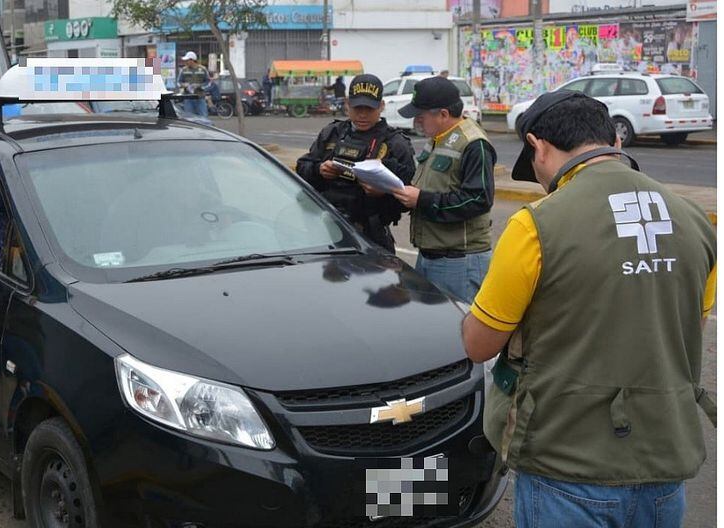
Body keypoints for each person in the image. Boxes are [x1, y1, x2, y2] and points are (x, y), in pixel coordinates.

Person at [461, 91, 716, 528]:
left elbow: (478, 344)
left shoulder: (536, 224)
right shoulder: (693, 220)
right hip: (665, 462)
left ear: (538, 146)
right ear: (614, 140)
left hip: (566, 466)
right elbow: (688, 326)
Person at [392, 75, 496, 303]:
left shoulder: (473, 143)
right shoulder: (439, 137)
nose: (417, 122)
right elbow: (431, 184)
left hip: (459, 261)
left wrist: (421, 199)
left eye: (421, 116)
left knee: (458, 324)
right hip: (430, 255)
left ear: (443, 114)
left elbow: (478, 199)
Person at [295, 74, 415, 254]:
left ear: (381, 106)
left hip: (370, 235)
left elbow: (409, 198)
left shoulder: (396, 143)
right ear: (347, 104)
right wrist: (319, 170)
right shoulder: (332, 133)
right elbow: (302, 167)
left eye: (369, 108)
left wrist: (383, 192)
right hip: (325, 229)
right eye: (357, 108)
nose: (362, 114)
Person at [176, 51, 209, 117]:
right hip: (188, 98)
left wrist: (200, 86)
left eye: (187, 60)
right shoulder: (183, 70)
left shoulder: (203, 69)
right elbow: (178, 82)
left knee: (203, 117)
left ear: (192, 60)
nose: (185, 62)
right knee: (189, 118)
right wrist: (184, 85)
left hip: (200, 97)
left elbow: (208, 82)